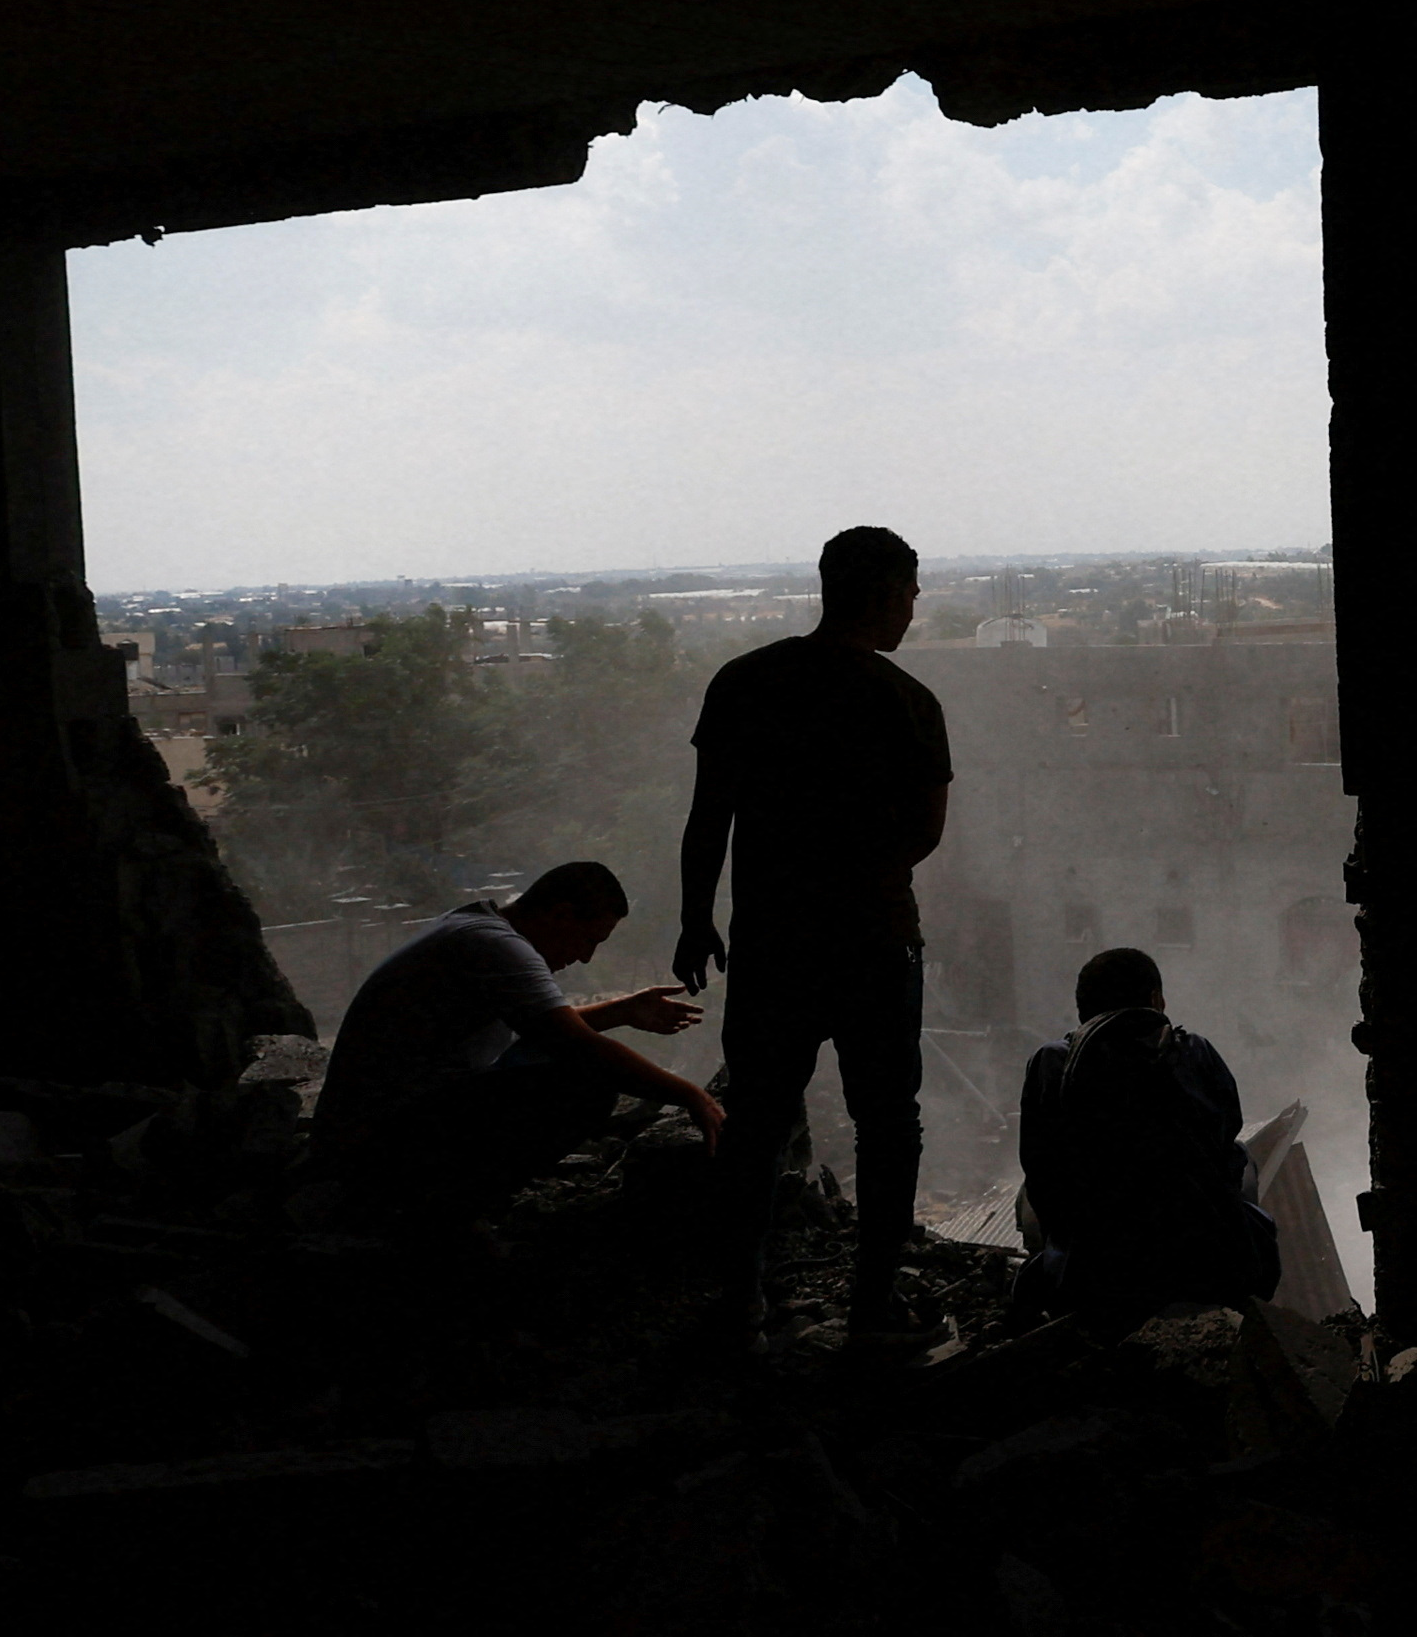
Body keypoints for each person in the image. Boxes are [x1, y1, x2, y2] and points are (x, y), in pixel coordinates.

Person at [680, 526, 954, 1352]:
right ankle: (872, 1306)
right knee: (887, 1123)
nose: (913, 609)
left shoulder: (745, 683)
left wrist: (698, 918)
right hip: (875, 941)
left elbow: (708, 821)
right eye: (909, 594)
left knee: (757, 1120)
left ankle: (740, 1306)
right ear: (883, 593)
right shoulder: (907, 701)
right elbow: (925, 833)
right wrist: (857, 871)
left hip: (772, 943)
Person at [306, 860, 718, 1233]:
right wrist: (689, 1094)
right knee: (585, 1086)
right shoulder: (496, 947)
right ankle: (431, 1217)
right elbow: (572, 1044)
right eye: (591, 940)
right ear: (561, 915)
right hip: (372, 1143)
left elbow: (534, 1032)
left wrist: (622, 1011)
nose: (586, 958)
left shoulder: (474, 927)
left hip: (372, 1126)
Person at [1014, 945, 1277, 1322]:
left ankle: (1057, 1289)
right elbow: (1225, 1135)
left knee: (1029, 1190)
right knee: (1241, 1156)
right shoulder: (1196, 1050)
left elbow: (1040, 1170)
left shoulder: (1052, 1061)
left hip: (1095, 1277)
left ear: (1082, 1009)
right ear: (1156, 999)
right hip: (1206, 1266)